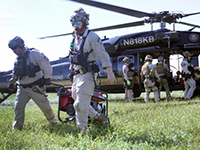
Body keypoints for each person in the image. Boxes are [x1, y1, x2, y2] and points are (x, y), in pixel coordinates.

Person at [68, 8, 115, 134]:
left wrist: (109, 70)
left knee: (78, 105)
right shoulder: (75, 38)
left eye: (77, 23)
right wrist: (71, 72)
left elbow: (102, 54)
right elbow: (73, 57)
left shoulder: (92, 37)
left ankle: (81, 131)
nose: (75, 26)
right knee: (77, 102)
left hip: (88, 75)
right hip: (77, 76)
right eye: (73, 23)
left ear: (84, 22)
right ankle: (98, 118)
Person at [8, 36, 58, 130]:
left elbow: (46, 64)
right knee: (18, 107)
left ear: (21, 45)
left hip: (35, 87)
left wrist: (47, 77)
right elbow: (15, 72)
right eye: (12, 49)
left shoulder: (34, 54)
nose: (14, 51)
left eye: (15, 48)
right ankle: (17, 127)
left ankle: (54, 123)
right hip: (22, 88)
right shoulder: (17, 59)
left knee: (45, 107)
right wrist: (12, 82)